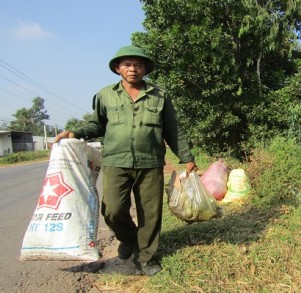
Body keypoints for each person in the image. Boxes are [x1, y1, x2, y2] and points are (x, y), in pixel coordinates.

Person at [54, 45, 197, 276]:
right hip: (115, 161)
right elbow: (97, 125)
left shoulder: (159, 95)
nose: (133, 69)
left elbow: (172, 129)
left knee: (150, 213)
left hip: (149, 162)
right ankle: (129, 238)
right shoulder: (105, 95)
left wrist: (187, 157)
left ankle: (147, 258)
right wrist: (76, 132)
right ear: (118, 68)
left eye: (138, 64)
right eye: (127, 64)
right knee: (112, 209)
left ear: (145, 69)